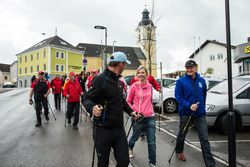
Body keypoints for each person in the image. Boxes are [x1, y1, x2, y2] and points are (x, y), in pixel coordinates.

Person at [82, 52, 139, 167]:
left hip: (118, 129)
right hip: (102, 130)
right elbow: (86, 99)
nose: (125, 67)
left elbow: (121, 101)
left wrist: (131, 111)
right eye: (125, 65)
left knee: (124, 162)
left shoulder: (118, 82)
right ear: (121, 64)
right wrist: (92, 108)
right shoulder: (100, 79)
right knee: (103, 164)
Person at [175, 60, 215, 167]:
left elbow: (203, 96)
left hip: (200, 114)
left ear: (195, 68)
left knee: (204, 139)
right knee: (182, 134)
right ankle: (178, 151)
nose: (189, 70)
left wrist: (201, 108)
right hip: (186, 113)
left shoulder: (202, 81)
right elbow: (178, 98)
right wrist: (189, 105)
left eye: (191, 67)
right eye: (187, 68)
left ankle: (210, 164)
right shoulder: (180, 82)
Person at [126, 65, 156, 167]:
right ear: (136, 75)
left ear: (146, 74)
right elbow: (128, 102)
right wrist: (133, 112)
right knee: (135, 136)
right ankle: (130, 147)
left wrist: (150, 110)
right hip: (137, 117)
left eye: (143, 72)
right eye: (139, 73)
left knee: (151, 142)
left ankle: (152, 163)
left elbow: (150, 101)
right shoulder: (134, 87)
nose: (141, 74)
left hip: (150, 117)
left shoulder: (150, 87)